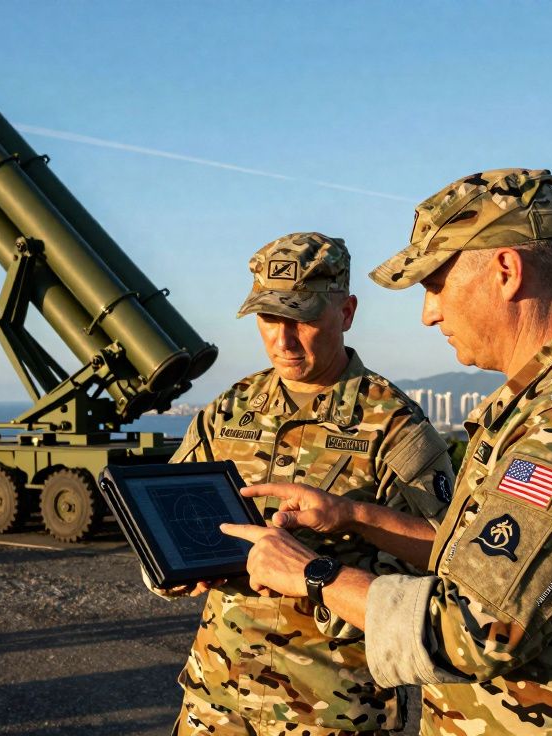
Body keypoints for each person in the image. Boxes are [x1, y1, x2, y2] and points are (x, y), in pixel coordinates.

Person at [222, 170, 552, 735]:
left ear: (505, 271)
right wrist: (352, 514)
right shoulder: (549, 404)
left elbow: (477, 629)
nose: (428, 313)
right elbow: (478, 566)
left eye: (435, 284)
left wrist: (314, 574)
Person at [154, 232, 457, 735]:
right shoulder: (231, 409)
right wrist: (170, 569)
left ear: (347, 312)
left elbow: (446, 552)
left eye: (304, 319)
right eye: (270, 319)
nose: (283, 340)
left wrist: (349, 521)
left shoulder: (393, 424)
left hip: (333, 706)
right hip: (218, 695)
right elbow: (167, 513)